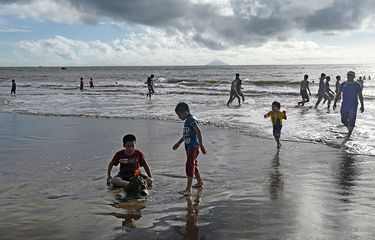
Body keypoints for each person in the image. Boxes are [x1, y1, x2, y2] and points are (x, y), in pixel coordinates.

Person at [173, 102, 207, 196]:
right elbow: (186, 135)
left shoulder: (191, 119)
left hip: (193, 146)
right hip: (189, 147)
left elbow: (198, 131)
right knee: (193, 164)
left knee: (189, 165)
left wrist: (201, 145)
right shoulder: (187, 121)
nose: (179, 117)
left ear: (186, 112)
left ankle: (188, 189)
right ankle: (199, 182)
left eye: (180, 114)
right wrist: (178, 143)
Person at [333, 71, 364, 139]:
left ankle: (349, 135)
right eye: (348, 75)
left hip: (353, 105)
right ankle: (349, 129)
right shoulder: (343, 84)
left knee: (352, 120)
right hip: (344, 104)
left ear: (353, 77)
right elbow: (338, 94)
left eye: (350, 75)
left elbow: (360, 95)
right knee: (343, 120)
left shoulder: (357, 85)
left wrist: (362, 105)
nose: (348, 76)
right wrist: (335, 102)